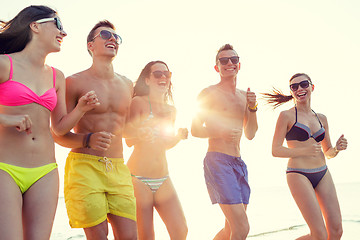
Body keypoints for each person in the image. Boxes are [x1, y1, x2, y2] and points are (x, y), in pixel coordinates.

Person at [0, 5, 98, 240]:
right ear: (35, 26)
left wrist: (81, 109)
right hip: (5, 168)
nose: (63, 33)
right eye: (58, 25)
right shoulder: (4, 64)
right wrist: (5, 118)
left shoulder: (57, 76)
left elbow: (60, 127)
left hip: (45, 171)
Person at [52, 20, 137, 240]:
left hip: (118, 167)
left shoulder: (128, 85)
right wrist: (87, 139)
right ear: (90, 45)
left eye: (116, 37)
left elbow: (127, 131)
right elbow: (57, 133)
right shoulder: (74, 82)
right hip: (85, 168)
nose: (112, 39)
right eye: (106, 35)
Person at [263, 73, 348, 240]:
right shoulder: (286, 116)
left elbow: (327, 151)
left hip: (322, 173)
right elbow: (276, 150)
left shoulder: (321, 118)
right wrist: (303, 151)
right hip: (298, 174)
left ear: (312, 87)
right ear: (292, 91)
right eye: (294, 87)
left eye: (303, 84)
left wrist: (337, 149)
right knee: (319, 235)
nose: (299, 89)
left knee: (337, 232)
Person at [191, 44, 258, 240]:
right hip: (218, 161)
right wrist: (219, 131)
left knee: (231, 229)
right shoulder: (208, 93)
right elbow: (195, 129)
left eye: (233, 60)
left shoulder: (244, 96)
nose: (229, 63)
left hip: (238, 163)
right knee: (242, 227)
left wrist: (253, 108)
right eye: (223, 60)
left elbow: (251, 133)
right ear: (216, 67)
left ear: (239, 65)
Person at [125, 61, 188, 240]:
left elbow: (165, 144)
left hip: (163, 178)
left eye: (166, 74)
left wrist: (178, 137)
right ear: (147, 79)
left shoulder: (171, 110)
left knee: (181, 230)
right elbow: (128, 139)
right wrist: (140, 134)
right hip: (138, 179)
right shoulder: (138, 103)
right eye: (157, 74)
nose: (163, 77)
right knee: (146, 236)